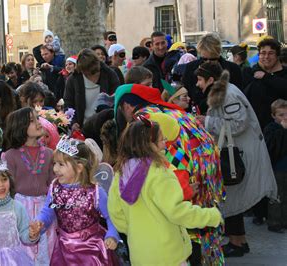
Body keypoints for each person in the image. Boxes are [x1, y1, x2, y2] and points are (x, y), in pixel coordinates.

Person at [113, 83, 224, 264]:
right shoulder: (163, 118)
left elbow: (116, 212)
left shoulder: (121, 170)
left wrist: (135, 229)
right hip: (169, 250)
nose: (165, 143)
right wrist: (211, 215)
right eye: (162, 140)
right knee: (195, 244)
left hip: (140, 250)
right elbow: (176, 210)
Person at [195, 62, 277, 257]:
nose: (197, 84)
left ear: (211, 79)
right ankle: (238, 240)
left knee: (232, 196)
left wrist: (205, 121)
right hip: (236, 152)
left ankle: (237, 243)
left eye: (199, 79)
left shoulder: (228, 94)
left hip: (239, 154)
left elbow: (238, 124)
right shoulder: (224, 90)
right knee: (232, 196)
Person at [32, 136, 120, 265]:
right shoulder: (55, 187)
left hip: (92, 251)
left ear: (79, 167)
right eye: (54, 163)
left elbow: (111, 216)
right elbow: (48, 211)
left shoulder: (95, 192)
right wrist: (39, 223)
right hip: (64, 250)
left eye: (61, 164)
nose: (55, 169)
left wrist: (112, 235)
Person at [3, 107, 56, 264]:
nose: (38, 123)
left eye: (37, 119)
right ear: (20, 127)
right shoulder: (10, 155)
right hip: (20, 208)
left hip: (45, 207)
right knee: (23, 249)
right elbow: (8, 188)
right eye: (31, 121)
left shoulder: (49, 154)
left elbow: (54, 184)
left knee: (48, 246)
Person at [64, 48, 120, 129]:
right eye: (86, 74)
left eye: (94, 73)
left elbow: (117, 101)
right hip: (83, 128)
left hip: (106, 127)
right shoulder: (73, 80)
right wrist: (73, 122)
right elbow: (68, 104)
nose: (90, 77)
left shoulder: (110, 75)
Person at [182, 33, 243, 107]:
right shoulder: (191, 67)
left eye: (212, 59)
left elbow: (237, 98)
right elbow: (186, 92)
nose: (208, 62)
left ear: (218, 53)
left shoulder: (233, 69)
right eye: (204, 59)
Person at [244, 38, 287, 129]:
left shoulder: (284, 74)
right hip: (257, 131)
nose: (266, 57)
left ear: (277, 56)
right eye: (263, 53)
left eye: (271, 53)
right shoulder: (251, 73)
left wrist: (267, 77)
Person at [264, 99, 287, 232]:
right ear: (273, 115)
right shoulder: (271, 129)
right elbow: (274, 147)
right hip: (277, 167)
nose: (285, 118)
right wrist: (283, 131)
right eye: (281, 115)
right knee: (277, 195)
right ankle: (274, 222)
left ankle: (284, 220)